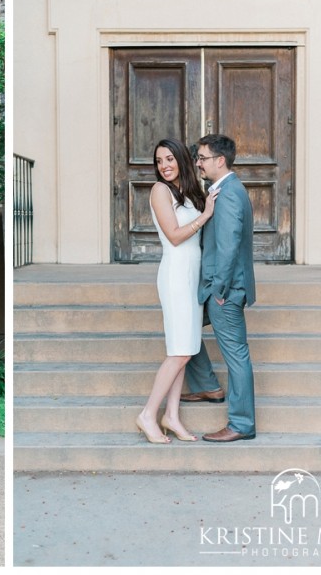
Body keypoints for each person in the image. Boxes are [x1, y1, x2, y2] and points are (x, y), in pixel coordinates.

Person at [135, 138, 218, 444]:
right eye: (159, 161)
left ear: (181, 159)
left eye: (169, 159)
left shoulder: (189, 192)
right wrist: (205, 215)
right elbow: (173, 235)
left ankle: (171, 416)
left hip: (191, 277)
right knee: (180, 352)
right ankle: (148, 414)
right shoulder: (160, 191)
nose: (164, 166)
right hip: (175, 276)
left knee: (184, 351)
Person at [187, 133, 257, 442]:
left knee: (236, 355)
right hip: (214, 285)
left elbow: (228, 248)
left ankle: (241, 424)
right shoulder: (222, 189)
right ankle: (207, 385)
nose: (198, 163)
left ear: (220, 160)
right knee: (183, 330)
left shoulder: (229, 193)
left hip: (224, 290)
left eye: (202, 158)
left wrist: (219, 291)